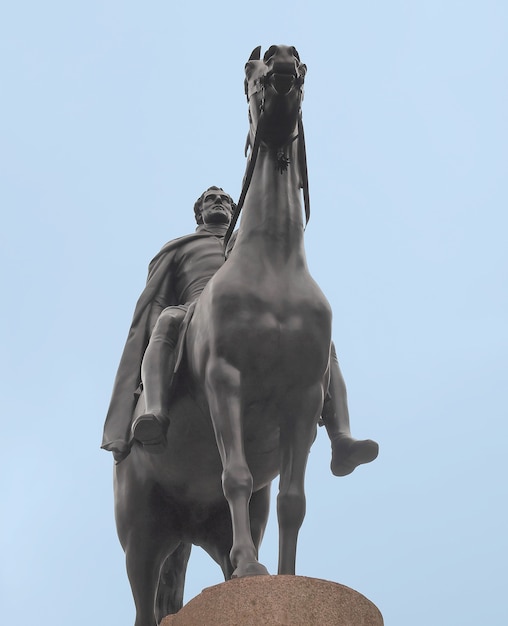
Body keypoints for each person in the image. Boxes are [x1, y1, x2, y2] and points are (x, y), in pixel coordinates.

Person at [102, 186, 378, 474]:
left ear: (234, 210)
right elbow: (156, 298)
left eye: (224, 200)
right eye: (211, 199)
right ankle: (156, 412)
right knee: (167, 320)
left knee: (322, 340)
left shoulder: (249, 241)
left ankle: (341, 438)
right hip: (194, 312)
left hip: (253, 311)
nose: (219, 202)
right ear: (200, 212)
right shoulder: (180, 247)